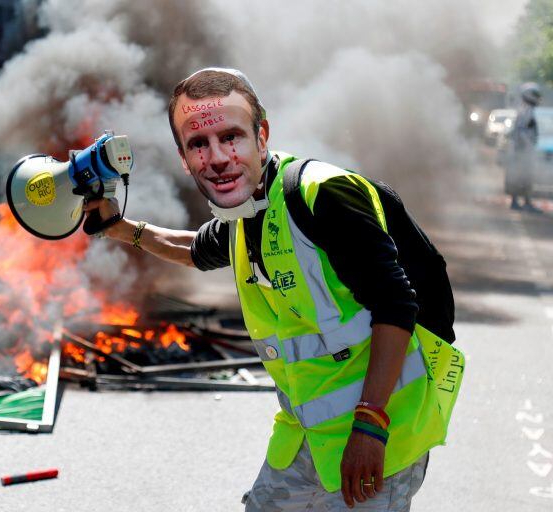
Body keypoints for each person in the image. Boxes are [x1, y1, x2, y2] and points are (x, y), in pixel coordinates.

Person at [85, 68, 462, 511]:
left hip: (381, 434)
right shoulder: (244, 215)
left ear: (261, 135)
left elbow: (397, 306)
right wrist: (117, 227)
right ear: (184, 158)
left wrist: (371, 425)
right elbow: (192, 248)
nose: (219, 157)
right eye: (199, 145)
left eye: (232, 137)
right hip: (305, 439)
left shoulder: (321, 196)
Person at [506, 82, 541, 212]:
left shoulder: (525, 109)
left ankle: (522, 201)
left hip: (521, 150)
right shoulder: (526, 110)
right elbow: (521, 131)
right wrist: (528, 147)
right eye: (536, 94)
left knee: (524, 176)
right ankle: (521, 202)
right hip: (522, 151)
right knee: (523, 176)